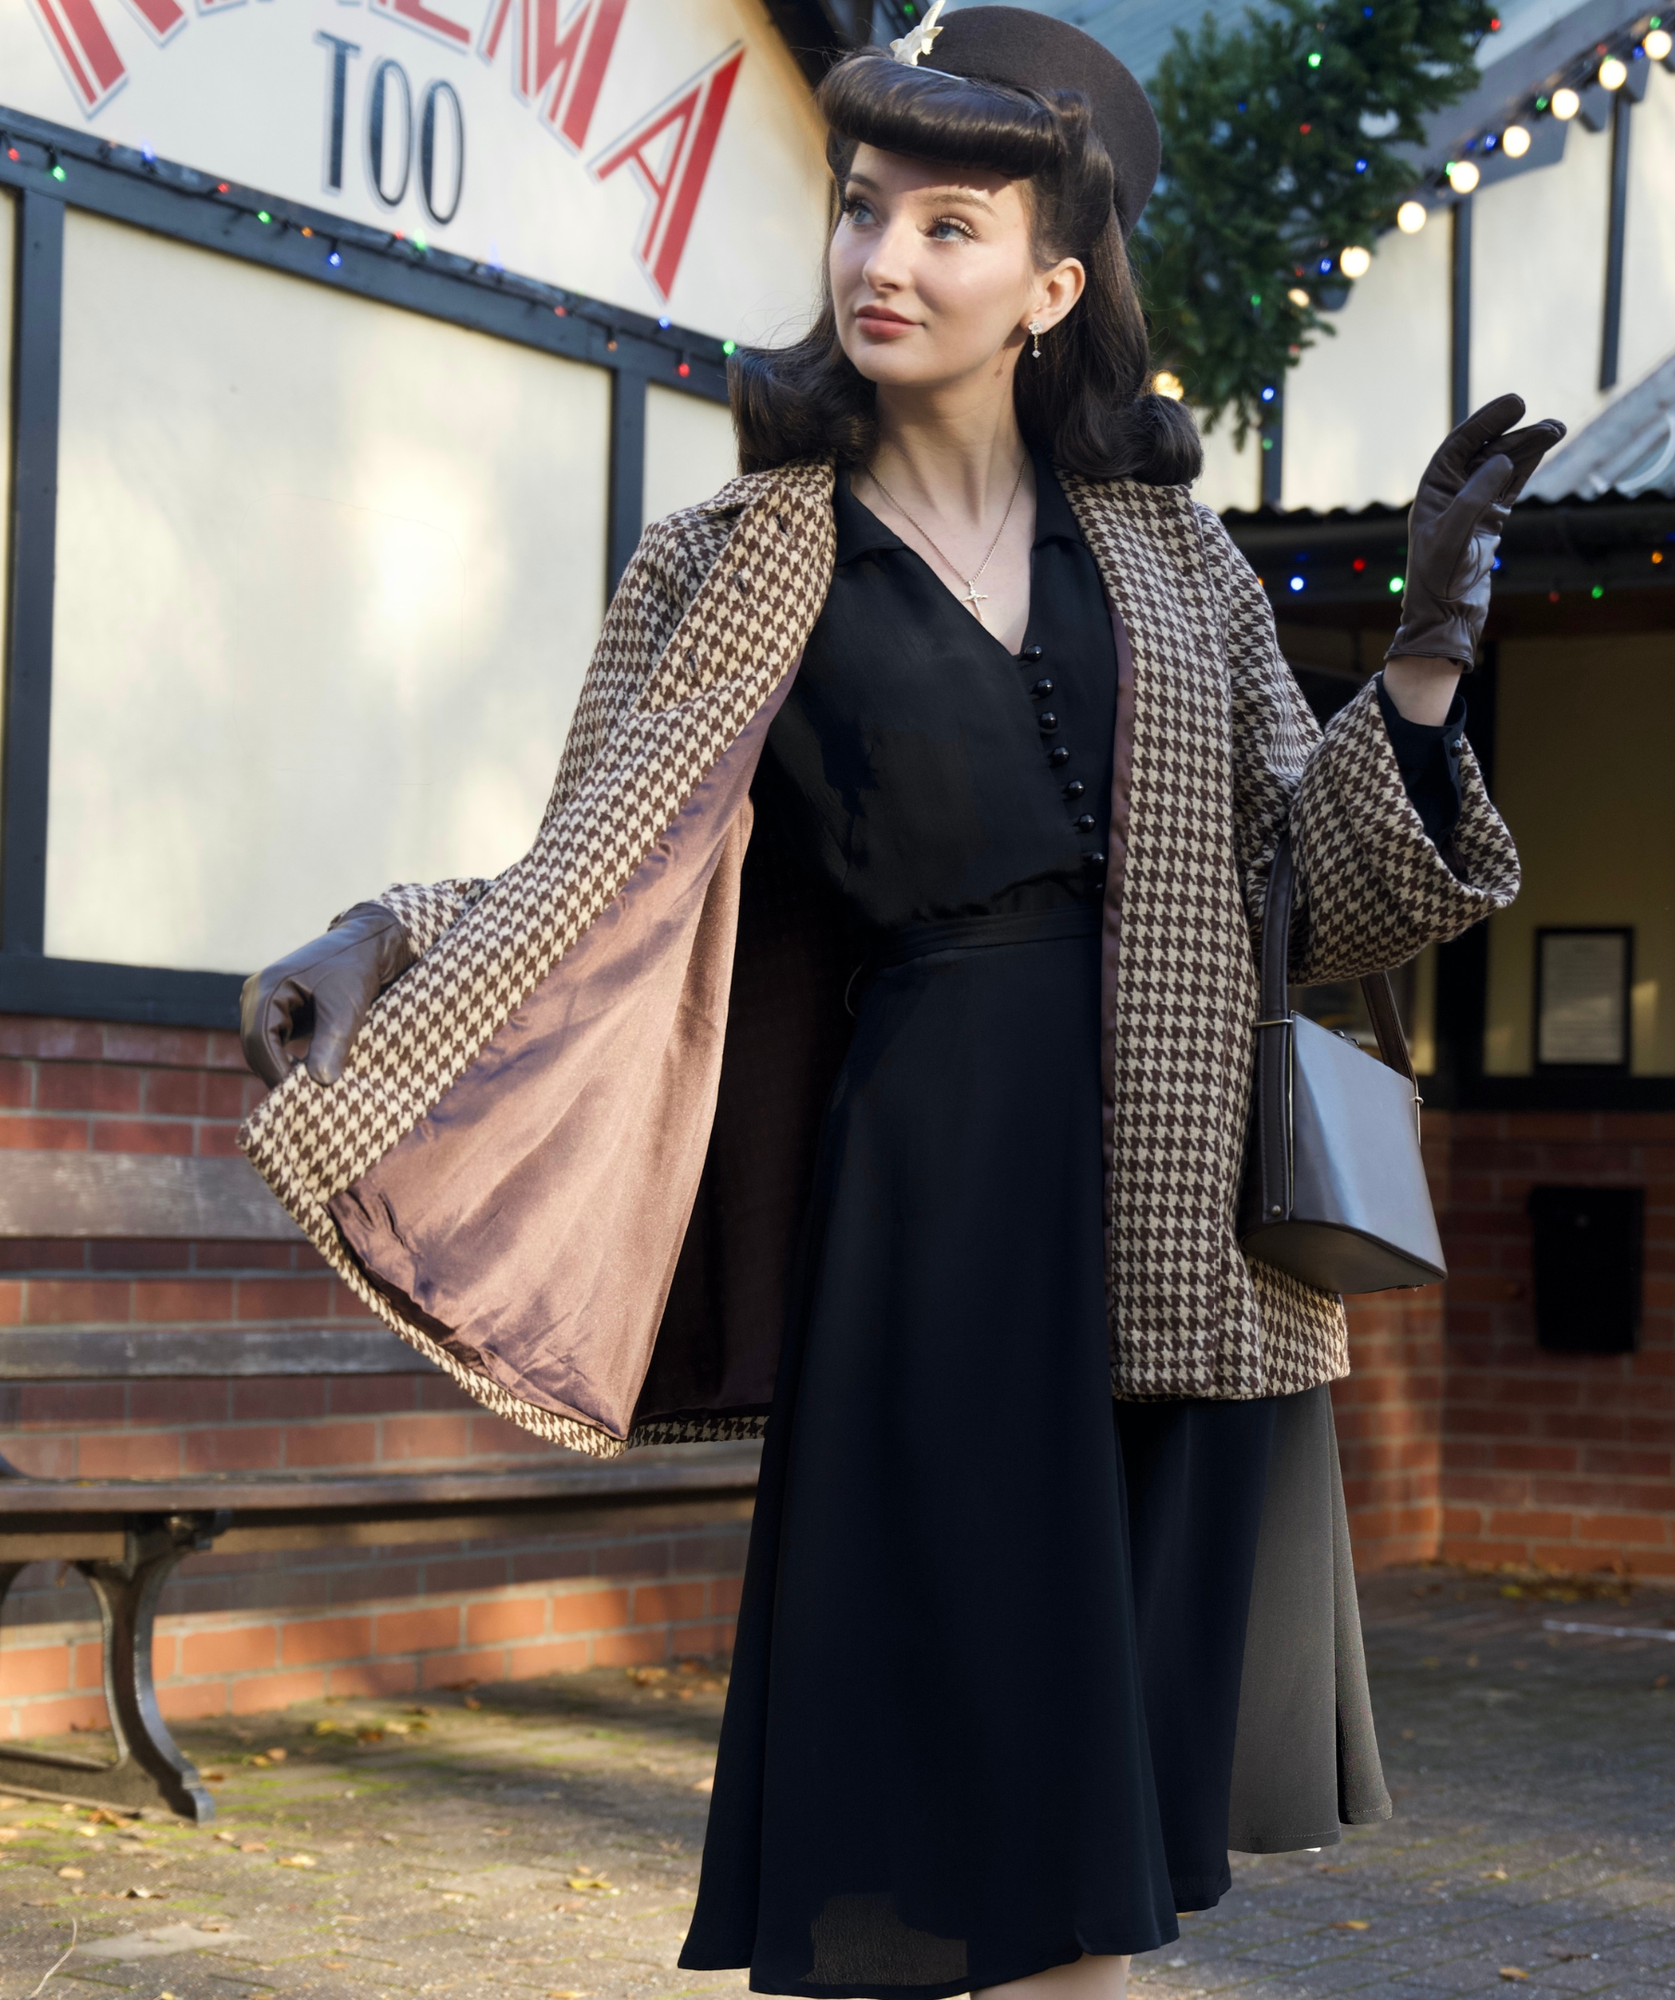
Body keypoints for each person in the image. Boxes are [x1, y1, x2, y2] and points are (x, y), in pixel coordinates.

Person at [237, 10, 1558, 1996]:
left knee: (1088, 1860)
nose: (883, 260)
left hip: (1171, 1250)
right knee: (958, 1818)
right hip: (931, 1215)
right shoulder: (731, 560)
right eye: (863, 212)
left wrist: (1428, 672)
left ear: (1051, 282)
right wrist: (386, 934)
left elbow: (1334, 899)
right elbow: (588, 869)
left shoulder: (1173, 561)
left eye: (952, 225)